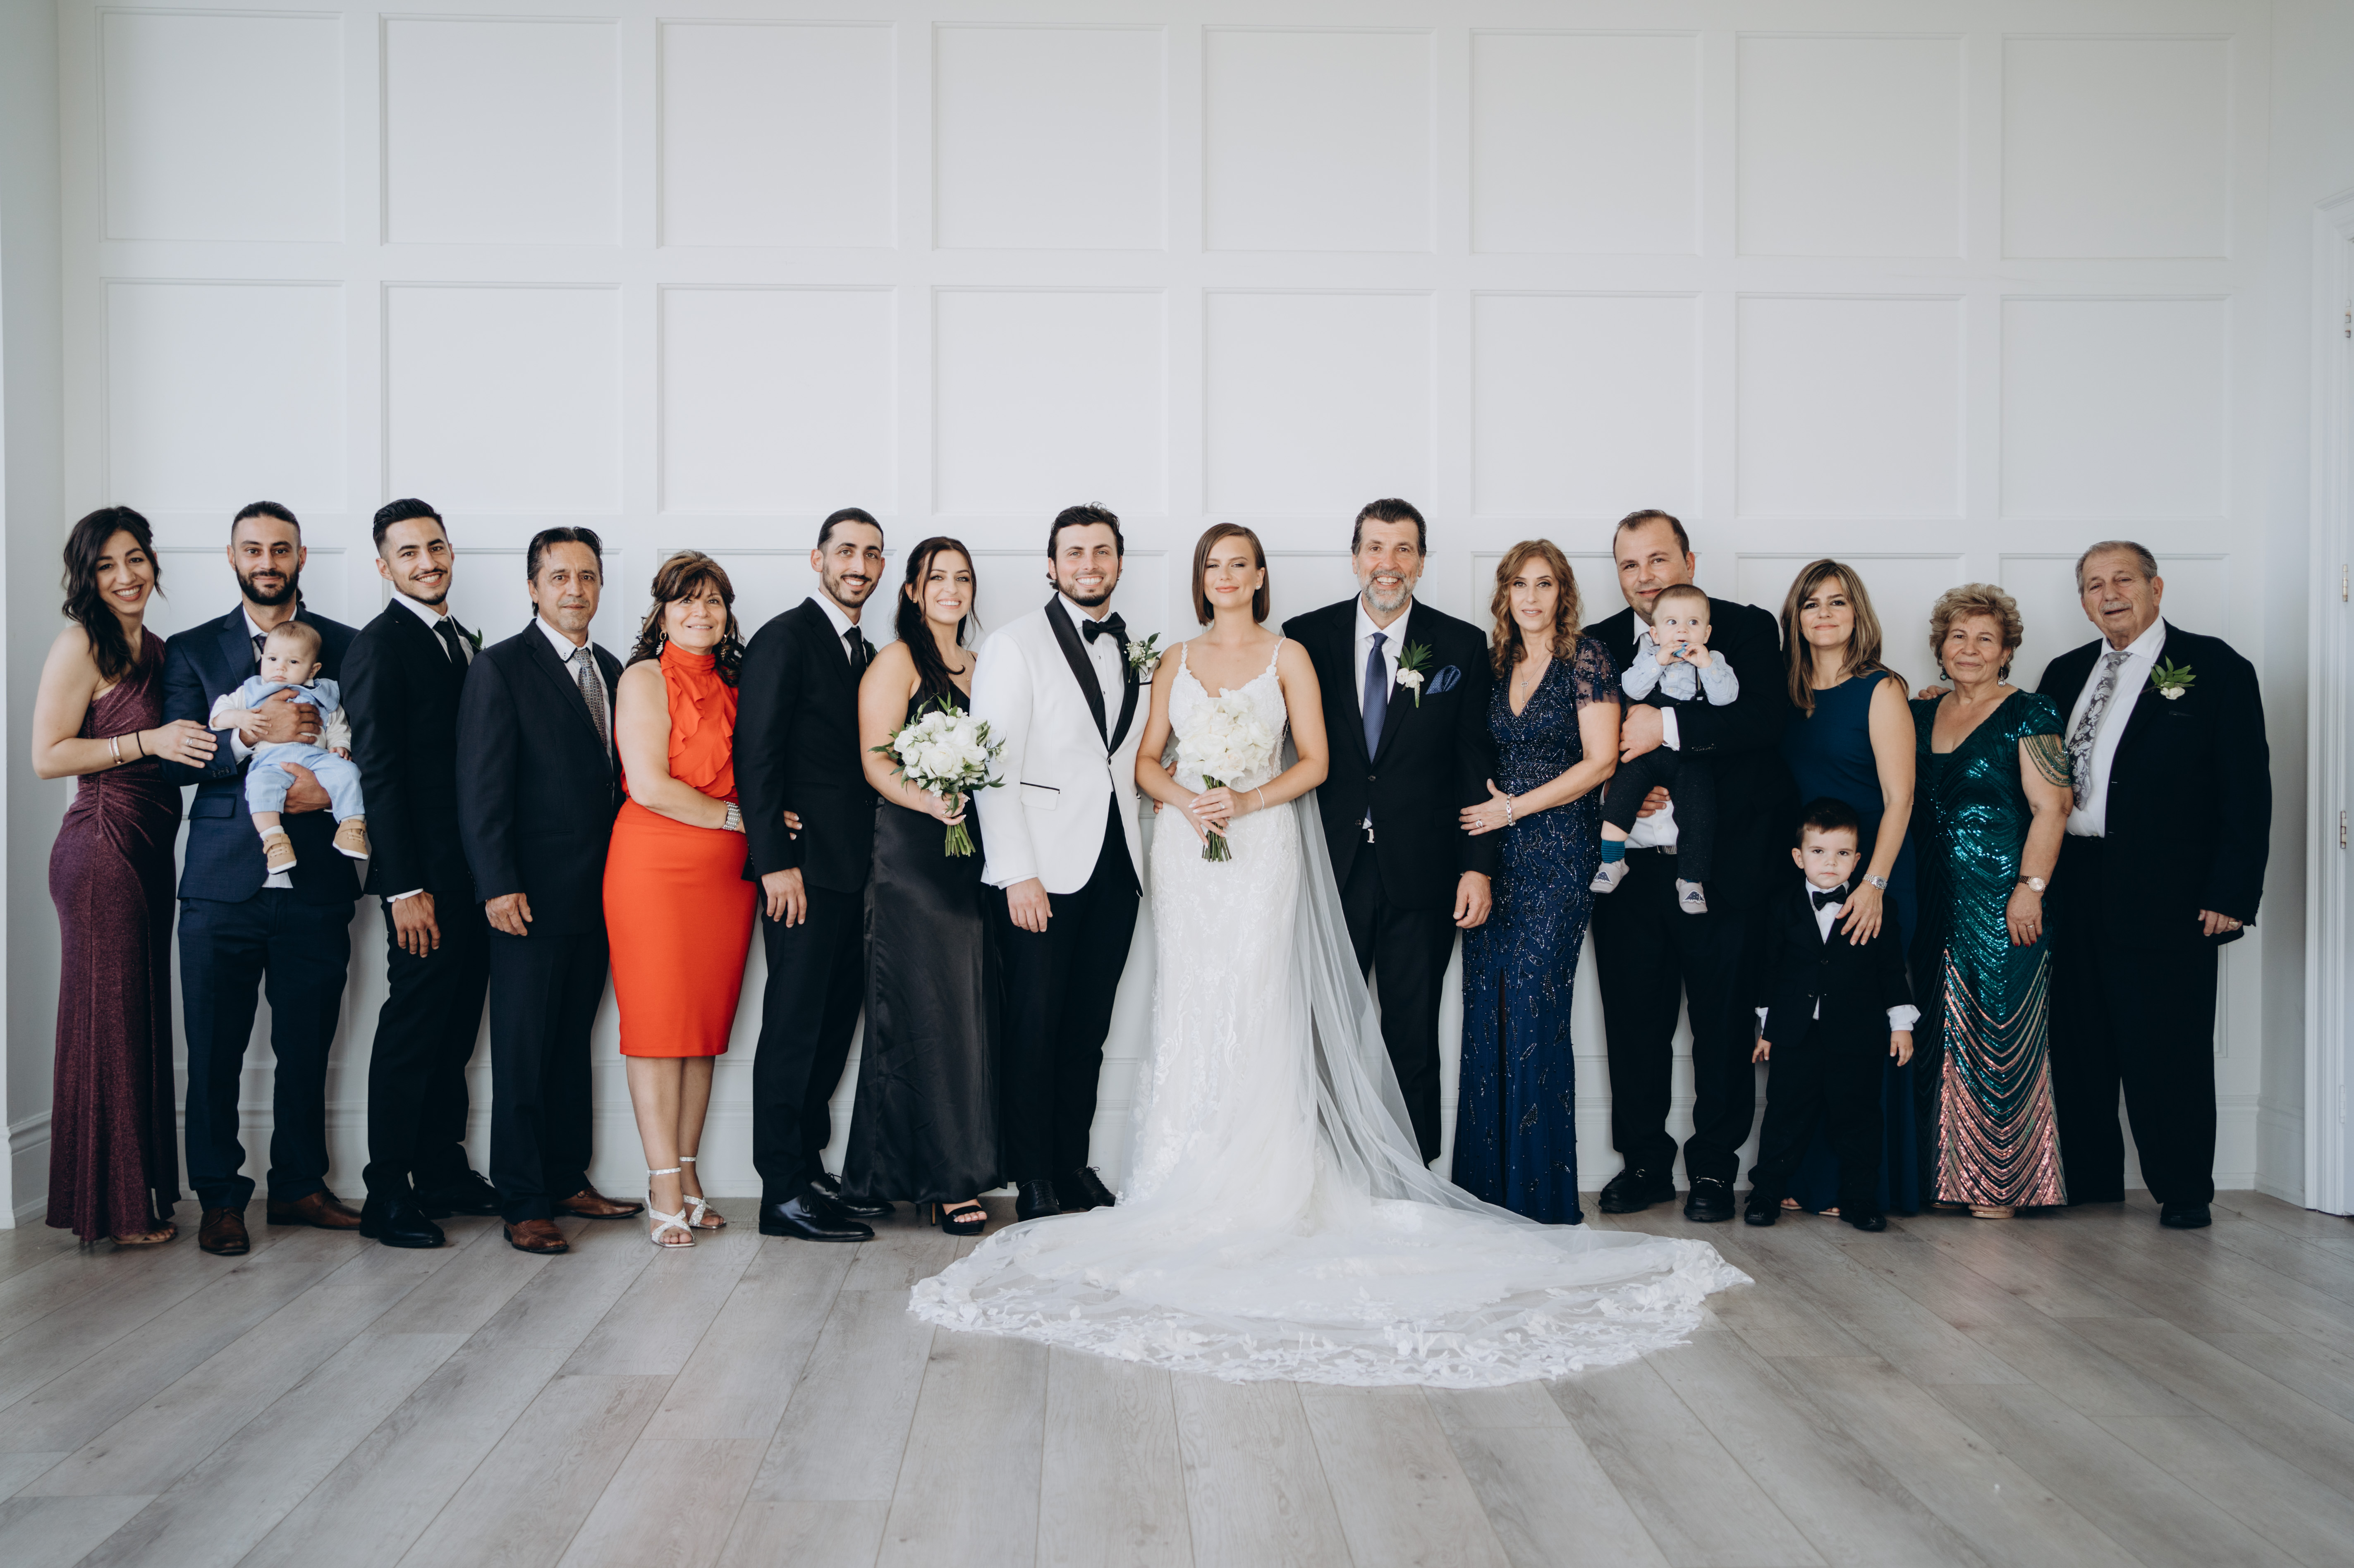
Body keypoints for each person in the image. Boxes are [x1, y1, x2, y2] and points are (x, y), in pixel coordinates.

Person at [910, 525, 1748, 1387]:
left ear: (1262, 575)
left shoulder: (1377, 650)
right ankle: (1191, 1171)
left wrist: (1258, 803)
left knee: (1338, 1016)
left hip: (1328, 852)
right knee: (1203, 1007)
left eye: (1240, 564)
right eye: (1213, 565)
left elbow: (1360, 759)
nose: (1226, 576)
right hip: (1219, 859)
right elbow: (1144, 761)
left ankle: (1368, 1177)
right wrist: (1192, 801)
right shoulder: (1208, 652)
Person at [2040, 542, 2268, 1230]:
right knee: (2080, 1039)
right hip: (2073, 879)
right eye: (2093, 584)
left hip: (2168, 888)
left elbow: (2245, 789)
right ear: (2083, 601)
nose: (2108, 594)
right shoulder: (2064, 672)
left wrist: (2231, 892)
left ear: (2155, 588)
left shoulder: (2215, 668)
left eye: (2122, 579)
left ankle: (2183, 1188)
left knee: (2167, 1043)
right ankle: (2088, 1180)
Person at [158, 502, 364, 1257]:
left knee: (307, 1047)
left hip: (316, 883)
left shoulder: (347, 645)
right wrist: (250, 740)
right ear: (232, 557)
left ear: (301, 556)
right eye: (253, 549)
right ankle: (219, 1198)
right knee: (214, 1052)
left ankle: (301, 1185)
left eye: (281, 548)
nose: (267, 561)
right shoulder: (191, 649)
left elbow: (374, 747)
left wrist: (326, 792)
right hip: (221, 885)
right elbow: (178, 758)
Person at [1583, 510, 1789, 1224]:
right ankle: (1643, 1164)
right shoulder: (1599, 642)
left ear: (1689, 562)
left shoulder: (1744, 628)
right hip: (1632, 874)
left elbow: (1763, 722)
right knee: (1634, 1025)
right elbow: (1574, 742)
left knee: (1722, 1027)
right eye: (1629, 564)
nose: (1645, 577)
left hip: (1722, 869)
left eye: (1658, 559)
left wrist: (1663, 729)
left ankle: (1713, 1170)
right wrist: (1617, 788)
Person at [1282, 498, 1495, 1162]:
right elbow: (1271, 736)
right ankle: (1324, 1165)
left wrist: (1478, 866)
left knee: (1413, 1030)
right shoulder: (1304, 637)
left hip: (1423, 869)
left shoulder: (1461, 645)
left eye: (1404, 549)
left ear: (1421, 562)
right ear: (1355, 558)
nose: (1389, 562)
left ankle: (1414, 1174)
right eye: (1376, 547)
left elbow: (1474, 765)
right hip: (1329, 865)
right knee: (1323, 1027)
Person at [455, 527, 644, 1255]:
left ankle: (568, 1178)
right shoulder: (501, 667)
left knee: (571, 1045)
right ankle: (524, 1199)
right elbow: (481, 787)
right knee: (524, 1051)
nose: (575, 588)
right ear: (533, 587)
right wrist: (497, 885)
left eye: (587, 576)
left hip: (600, 895)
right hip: (527, 897)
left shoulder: (611, 667)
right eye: (559, 576)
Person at [32, 508, 210, 1244]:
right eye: (107, 565)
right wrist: (147, 740)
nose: (126, 576)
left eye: (135, 558)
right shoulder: (81, 644)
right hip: (101, 846)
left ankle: (129, 1195)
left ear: (153, 561)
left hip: (148, 851)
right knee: (109, 1020)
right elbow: (48, 755)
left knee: (136, 1016)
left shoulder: (162, 649)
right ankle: (116, 1212)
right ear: (87, 577)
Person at [969, 504, 1146, 1221]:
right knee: (1034, 1028)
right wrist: (1017, 872)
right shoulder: (1013, 645)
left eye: (1101, 551)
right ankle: (1032, 1176)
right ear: (1052, 565)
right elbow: (991, 769)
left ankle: (1072, 1164)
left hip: (1116, 865)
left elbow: (1118, 757)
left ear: (1119, 563)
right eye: (1074, 552)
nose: (1088, 564)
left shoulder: (1133, 646)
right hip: (1040, 870)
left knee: (1087, 1030)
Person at [343, 497, 498, 1249]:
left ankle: (442, 1169)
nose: (426, 562)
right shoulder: (380, 646)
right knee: (413, 1029)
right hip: (422, 883)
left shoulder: (460, 640)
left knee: (456, 1027)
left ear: (451, 553)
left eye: (435, 547)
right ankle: (387, 1191)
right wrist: (403, 887)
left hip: (471, 874)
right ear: (384, 567)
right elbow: (378, 772)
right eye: (408, 553)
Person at [736, 508, 893, 1243]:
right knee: (794, 1029)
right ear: (817, 559)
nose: (859, 565)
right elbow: (757, 756)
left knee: (832, 1029)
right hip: (799, 874)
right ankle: (782, 1192)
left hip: (855, 872)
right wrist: (774, 863)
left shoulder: (869, 651)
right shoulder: (785, 638)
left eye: (872, 554)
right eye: (846, 551)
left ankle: (810, 1169)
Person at [1453, 541, 1619, 1223]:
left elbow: (1600, 762)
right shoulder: (1496, 665)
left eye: (1544, 584)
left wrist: (1515, 808)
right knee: (1485, 1012)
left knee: (1534, 1012)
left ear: (1562, 592)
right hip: (1496, 857)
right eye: (1518, 584)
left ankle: (1539, 1197)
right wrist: (1491, 830)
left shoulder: (1587, 659)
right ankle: (1484, 1192)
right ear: (1504, 594)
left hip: (1558, 854)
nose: (1530, 596)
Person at [842, 539, 998, 1235]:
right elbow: (877, 761)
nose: (951, 589)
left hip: (971, 853)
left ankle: (910, 1171)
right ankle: (943, 1182)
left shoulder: (983, 664)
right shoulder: (897, 662)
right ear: (912, 590)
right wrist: (930, 800)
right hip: (911, 856)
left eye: (962, 578)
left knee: (966, 1011)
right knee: (925, 1011)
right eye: (938, 578)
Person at [607, 552, 758, 1248]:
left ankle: (690, 1175)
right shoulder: (642, 677)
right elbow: (648, 784)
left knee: (701, 1032)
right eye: (686, 600)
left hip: (726, 879)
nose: (701, 612)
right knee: (657, 1028)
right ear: (662, 613)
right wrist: (736, 818)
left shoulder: (737, 680)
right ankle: (661, 1182)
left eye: (713, 600)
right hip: (655, 868)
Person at [1910, 584, 2071, 1218]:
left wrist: (2031, 889)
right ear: (1940, 647)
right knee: (1936, 1030)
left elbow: (2053, 806)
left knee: (1999, 1032)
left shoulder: (2031, 712)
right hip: (1930, 898)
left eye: (1985, 639)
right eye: (1958, 637)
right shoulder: (1921, 713)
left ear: (2006, 652)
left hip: (2004, 898)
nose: (1970, 649)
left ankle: (2001, 1184)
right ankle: (1941, 1178)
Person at [1775, 559, 1919, 1217]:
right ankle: (1805, 1179)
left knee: (1860, 1033)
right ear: (1796, 617)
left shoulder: (1880, 689)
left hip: (1873, 876)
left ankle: (1860, 1186)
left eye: (1837, 602)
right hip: (1810, 874)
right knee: (1809, 1036)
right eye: (1812, 604)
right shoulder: (1786, 690)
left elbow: (1900, 798)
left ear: (1857, 613)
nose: (1824, 614)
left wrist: (1874, 884)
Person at [1742, 800, 1917, 1233]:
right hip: (1795, 1034)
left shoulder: (1880, 909)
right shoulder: (1781, 905)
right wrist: (1767, 1029)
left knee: (1858, 1119)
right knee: (1785, 1116)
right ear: (1798, 857)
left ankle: (1859, 1199)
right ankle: (1766, 1193)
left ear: (1858, 861)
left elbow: (1891, 972)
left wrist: (1900, 1026)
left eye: (1842, 854)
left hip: (1857, 1035)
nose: (1830, 863)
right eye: (1819, 852)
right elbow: (1770, 970)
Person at [1592, 582, 1736, 913]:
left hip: (1688, 755)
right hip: (1644, 755)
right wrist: (1658, 659)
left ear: (1707, 632)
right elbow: (1632, 688)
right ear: (1655, 633)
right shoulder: (1648, 656)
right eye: (1672, 623)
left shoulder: (1713, 660)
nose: (1682, 630)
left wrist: (1706, 664)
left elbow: (1725, 698)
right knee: (1621, 796)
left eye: (1693, 623)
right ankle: (1613, 861)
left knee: (1699, 812)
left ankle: (1691, 880)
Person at [209, 620, 369, 870]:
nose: (280, 667)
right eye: (272, 659)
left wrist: (340, 746)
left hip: (317, 759)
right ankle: (274, 841)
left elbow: (338, 725)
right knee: (259, 785)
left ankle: (351, 827)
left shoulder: (322, 693)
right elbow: (218, 716)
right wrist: (241, 718)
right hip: (271, 762)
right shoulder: (251, 691)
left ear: (313, 670)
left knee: (348, 771)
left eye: (293, 662)